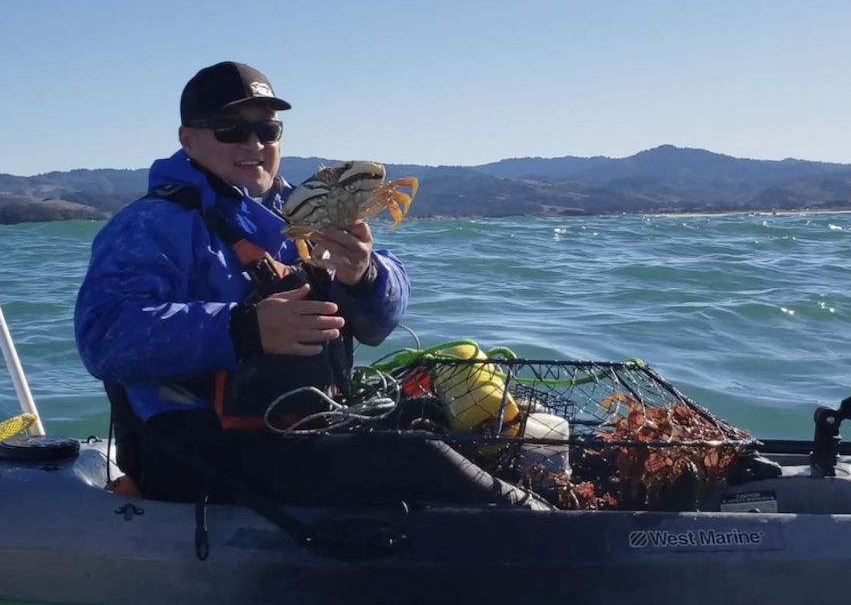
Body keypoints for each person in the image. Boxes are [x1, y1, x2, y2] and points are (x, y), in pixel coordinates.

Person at [73, 61, 548, 511]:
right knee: (418, 458)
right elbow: (104, 336)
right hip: (198, 452)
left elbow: (380, 323)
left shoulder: (298, 209)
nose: (254, 143)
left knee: (428, 419)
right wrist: (243, 328)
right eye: (231, 129)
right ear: (188, 140)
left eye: (267, 129)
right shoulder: (150, 225)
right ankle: (555, 538)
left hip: (301, 428)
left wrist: (365, 274)